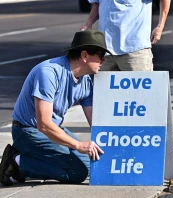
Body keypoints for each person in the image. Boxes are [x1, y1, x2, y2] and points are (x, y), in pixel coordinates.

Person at [0, 30, 111, 186]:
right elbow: (43, 124)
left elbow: (95, 122)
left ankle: (35, 159)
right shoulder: (48, 73)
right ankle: (17, 161)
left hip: (51, 129)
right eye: (101, 56)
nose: (104, 60)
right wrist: (78, 145)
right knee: (77, 173)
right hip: (27, 131)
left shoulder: (85, 80)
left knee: (90, 162)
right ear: (85, 56)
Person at [80, 0, 171, 71]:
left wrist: (160, 26)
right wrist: (88, 24)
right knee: (105, 93)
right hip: (105, 51)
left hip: (134, 50)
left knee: (139, 93)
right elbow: (97, 4)